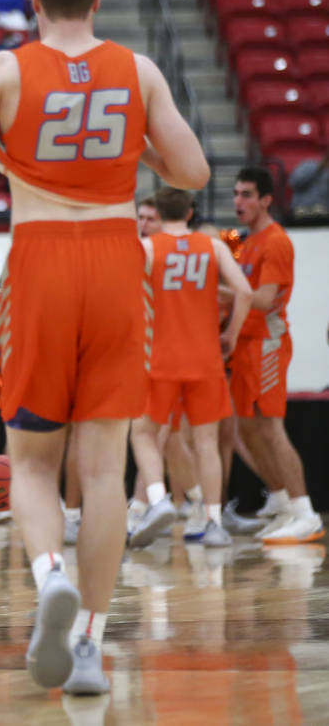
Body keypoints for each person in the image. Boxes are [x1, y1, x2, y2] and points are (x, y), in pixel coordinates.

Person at [0, 0, 209, 695]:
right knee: (104, 467)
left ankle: (48, 579)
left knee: (34, 461)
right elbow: (194, 172)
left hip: (40, 257)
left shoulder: (6, 68)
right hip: (114, 257)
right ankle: (92, 645)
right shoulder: (137, 71)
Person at [128, 187, 253, 549]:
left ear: (159, 213)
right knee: (206, 443)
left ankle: (158, 499)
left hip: (160, 357)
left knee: (143, 433)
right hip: (206, 357)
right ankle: (213, 522)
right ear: (190, 211)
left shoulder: (148, 248)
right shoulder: (213, 247)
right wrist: (230, 332)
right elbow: (244, 291)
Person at [229, 167, 323, 544]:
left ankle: (306, 512)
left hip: (267, 344)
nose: (238, 201)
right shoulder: (243, 242)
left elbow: (266, 299)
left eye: (247, 194)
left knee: (270, 428)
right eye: (236, 193)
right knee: (247, 429)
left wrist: (223, 293)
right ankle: (283, 503)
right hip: (244, 344)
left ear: (267, 199)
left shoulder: (276, 241)